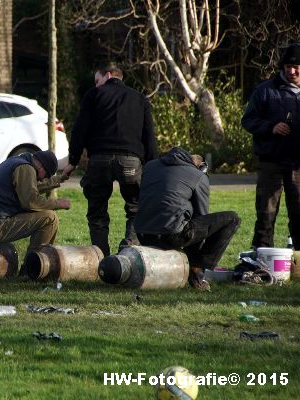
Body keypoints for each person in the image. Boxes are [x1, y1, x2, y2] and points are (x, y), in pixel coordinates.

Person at [62, 61, 158, 256]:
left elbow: (80, 129)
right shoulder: (140, 98)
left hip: (99, 160)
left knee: (97, 210)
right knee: (137, 207)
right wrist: (152, 165)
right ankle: (128, 248)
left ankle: (100, 254)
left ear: (107, 75)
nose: (96, 84)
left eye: (97, 80)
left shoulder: (93, 95)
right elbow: (149, 135)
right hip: (131, 161)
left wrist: (72, 161)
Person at [134, 147, 241, 291]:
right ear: (200, 166)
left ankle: (189, 266)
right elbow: (202, 215)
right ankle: (196, 269)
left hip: (142, 233)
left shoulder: (150, 166)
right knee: (232, 219)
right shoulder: (198, 176)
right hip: (170, 235)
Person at [241, 42, 300, 250]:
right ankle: (261, 259)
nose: (292, 71)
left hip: (298, 165)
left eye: (297, 67)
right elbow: (247, 120)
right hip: (270, 162)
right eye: (288, 67)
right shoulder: (265, 90)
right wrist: (271, 127)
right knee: (265, 215)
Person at [0, 150, 71, 262]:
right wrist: (57, 203)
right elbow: (30, 201)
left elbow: (31, 187)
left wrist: (60, 178)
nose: (43, 179)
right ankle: (33, 267)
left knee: (47, 215)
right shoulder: (26, 168)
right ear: (41, 165)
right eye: (46, 175)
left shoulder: (16, 162)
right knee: (50, 218)